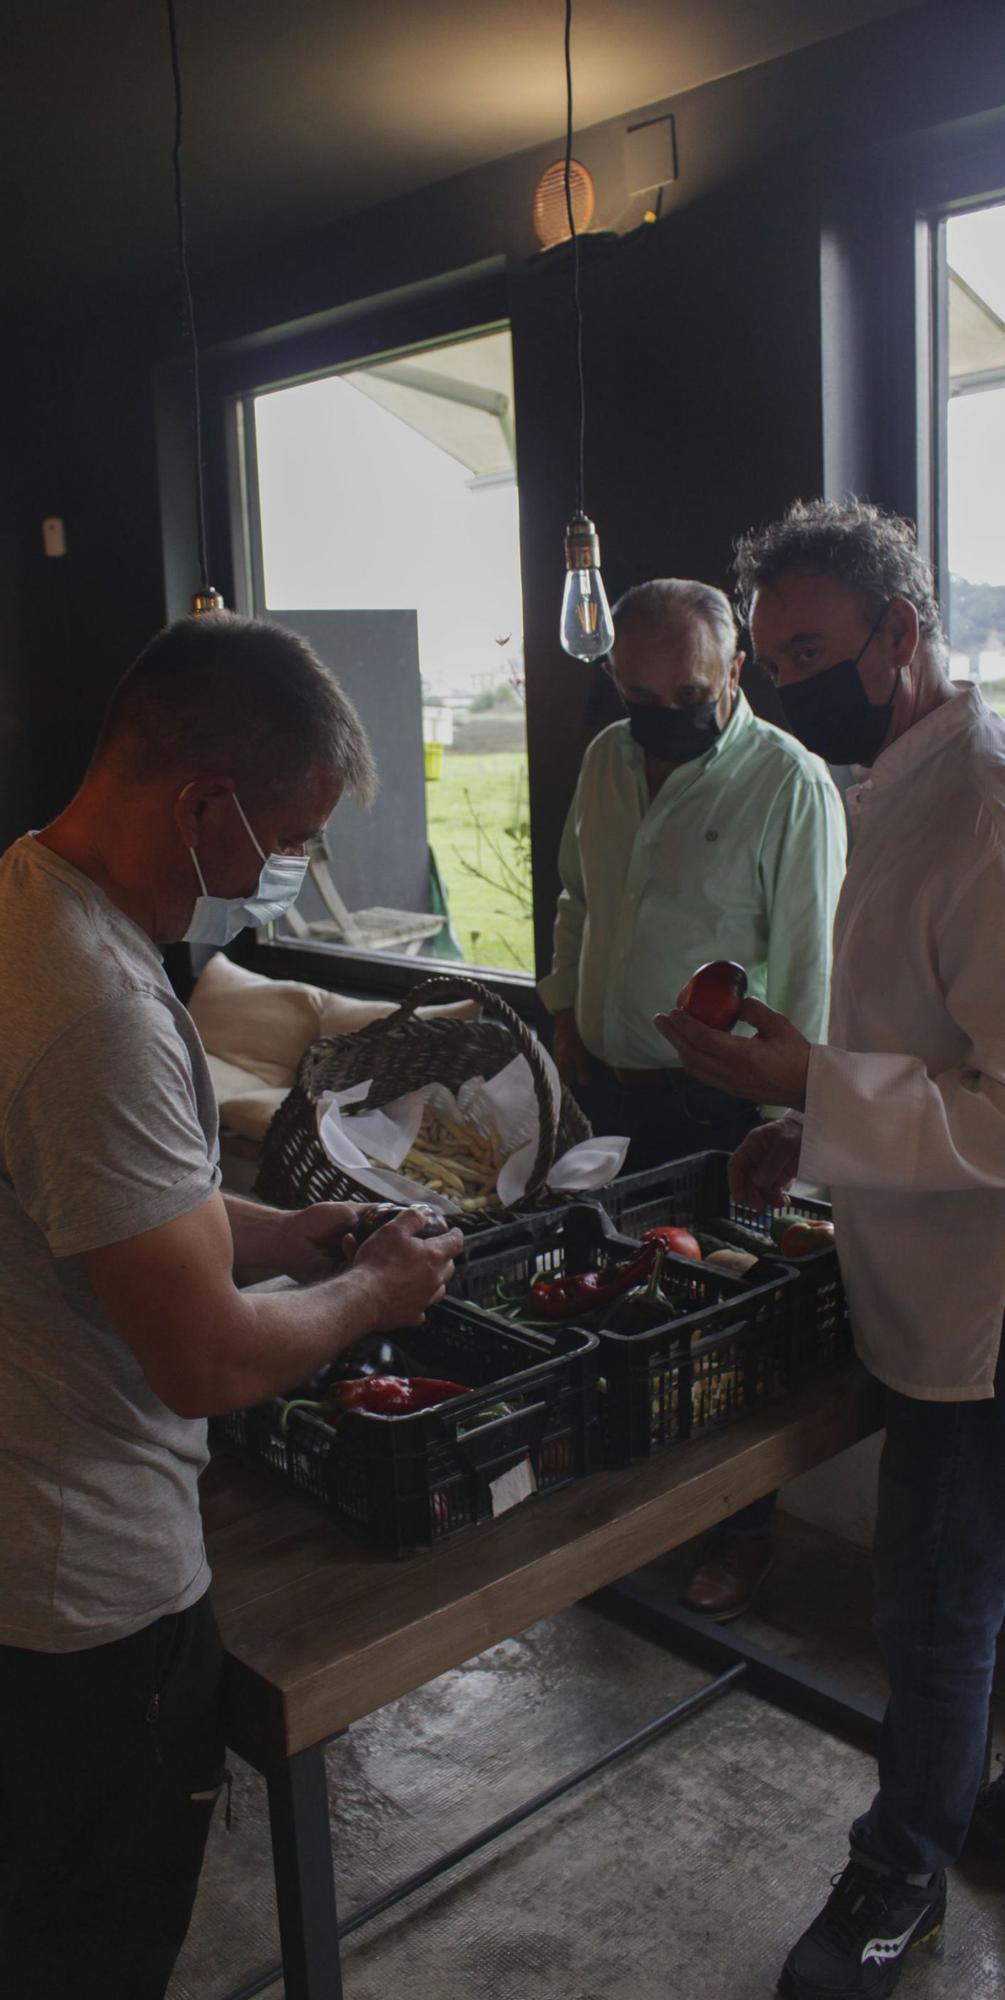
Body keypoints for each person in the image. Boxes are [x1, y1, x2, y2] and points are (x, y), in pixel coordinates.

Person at [0, 611, 463, 2000]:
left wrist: (288, 1234)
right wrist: (375, 1290)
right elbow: (199, 1355)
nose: (282, 867)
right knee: (94, 1949)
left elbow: (103, 1219)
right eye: (285, 831)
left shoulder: (29, 895)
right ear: (204, 804)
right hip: (85, 1605)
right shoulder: (102, 1015)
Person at [656, 498, 1005, 1999]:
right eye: (770, 653)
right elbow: (912, 1043)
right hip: (918, 1263)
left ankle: (900, 1871)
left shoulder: (987, 810)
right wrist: (813, 1136)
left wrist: (812, 1089)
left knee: (931, 1598)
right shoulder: (893, 789)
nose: (780, 681)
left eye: (805, 653)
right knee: (964, 1587)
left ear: (900, 636)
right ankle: (959, 1808)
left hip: (982, 1307)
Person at [539, 577, 846, 1617]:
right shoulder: (604, 760)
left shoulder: (789, 783)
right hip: (608, 1092)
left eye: (685, 689)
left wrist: (787, 1122)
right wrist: (564, 1011)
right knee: (611, 1310)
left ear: (733, 674)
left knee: (730, 1335)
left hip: (722, 1108)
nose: (660, 710)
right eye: (638, 690)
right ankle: (616, 1519)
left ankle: (740, 1533)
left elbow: (809, 968)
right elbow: (577, 898)